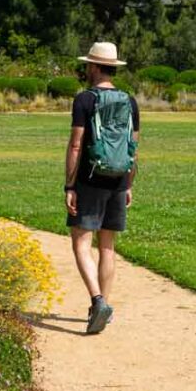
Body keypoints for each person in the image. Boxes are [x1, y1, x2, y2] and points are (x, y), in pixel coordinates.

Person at [64, 42, 139, 334]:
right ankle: (103, 306)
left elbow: (76, 145)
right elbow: (134, 145)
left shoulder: (85, 99)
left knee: (81, 243)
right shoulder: (129, 101)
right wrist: (129, 183)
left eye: (88, 65)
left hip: (90, 178)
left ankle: (97, 302)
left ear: (94, 67)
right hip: (119, 178)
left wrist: (69, 185)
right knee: (107, 247)